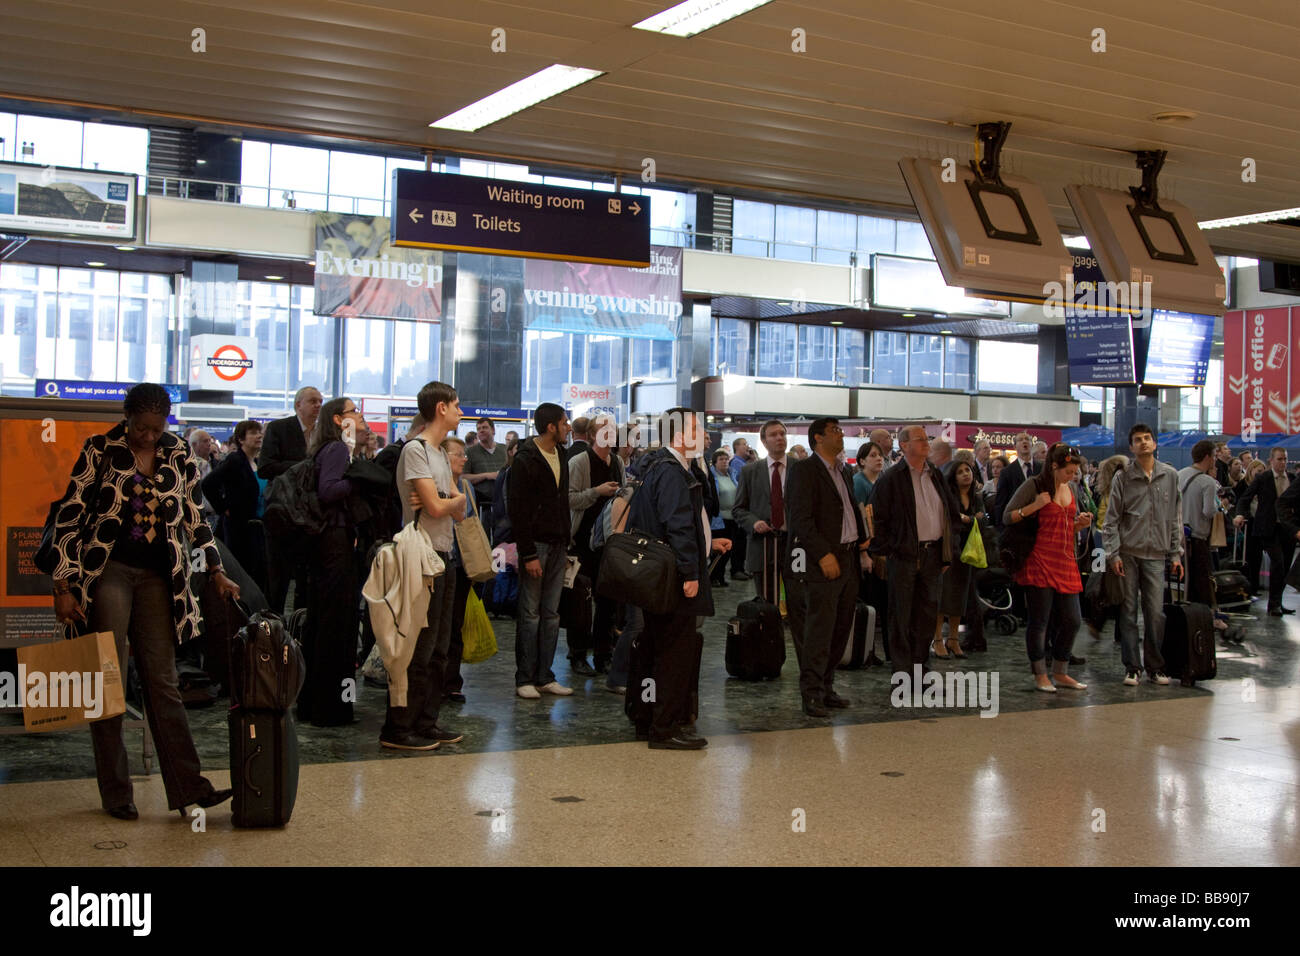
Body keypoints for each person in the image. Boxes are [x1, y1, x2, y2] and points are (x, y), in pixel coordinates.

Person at [51, 383, 240, 820]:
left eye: (157, 429)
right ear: (127, 416)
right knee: (108, 679)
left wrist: (215, 570)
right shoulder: (99, 449)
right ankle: (117, 792)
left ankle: (188, 787)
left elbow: (195, 516)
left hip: (161, 578)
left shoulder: (178, 453)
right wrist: (62, 587)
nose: (149, 437)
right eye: (141, 428)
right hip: (109, 573)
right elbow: (69, 515)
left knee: (164, 682)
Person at [626, 407, 728, 749]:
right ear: (680, 435)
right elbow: (678, 524)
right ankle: (665, 727)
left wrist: (709, 544)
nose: (705, 434)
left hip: (660, 574)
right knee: (674, 651)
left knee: (656, 646)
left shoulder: (659, 466)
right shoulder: (671, 471)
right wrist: (690, 571)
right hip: (673, 575)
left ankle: (648, 718)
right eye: (698, 428)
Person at [380, 382, 467, 751]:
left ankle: (426, 720)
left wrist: (448, 498)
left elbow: (455, 506)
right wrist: (448, 499)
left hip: (443, 555)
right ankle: (399, 727)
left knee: (439, 648)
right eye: (457, 405)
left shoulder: (441, 455)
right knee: (416, 645)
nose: (462, 412)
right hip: (420, 556)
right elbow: (435, 507)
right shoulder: (415, 450)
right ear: (441, 408)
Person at [785, 418, 869, 717]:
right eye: (834, 431)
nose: (840, 434)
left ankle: (827, 685)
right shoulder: (804, 471)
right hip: (821, 561)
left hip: (848, 557)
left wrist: (862, 546)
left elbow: (849, 511)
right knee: (819, 630)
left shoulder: (844, 471)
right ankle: (811, 693)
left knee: (840, 628)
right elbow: (801, 519)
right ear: (817, 438)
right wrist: (822, 554)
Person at [870, 424, 961, 672]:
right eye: (919, 439)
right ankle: (903, 673)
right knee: (901, 617)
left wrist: (948, 554)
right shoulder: (891, 478)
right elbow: (879, 519)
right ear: (904, 445)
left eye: (926, 438)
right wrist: (892, 549)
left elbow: (951, 516)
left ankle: (922, 670)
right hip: (904, 556)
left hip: (933, 556)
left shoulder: (935, 475)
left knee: (926, 616)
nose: (925, 442)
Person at [1003, 443, 1092, 691]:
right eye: (1068, 472)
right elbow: (1007, 516)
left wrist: (1078, 525)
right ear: (1054, 466)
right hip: (1039, 559)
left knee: (1073, 619)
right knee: (1039, 620)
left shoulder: (1070, 488)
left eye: (1074, 472)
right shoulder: (1034, 485)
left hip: (1065, 560)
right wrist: (1035, 506)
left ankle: (1061, 670)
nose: (1072, 476)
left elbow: (1062, 525)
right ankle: (1040, 673)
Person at [298, 397, 363, 727]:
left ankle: (315, 702)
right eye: (353, 411)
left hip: (326, 544)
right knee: (338, 625)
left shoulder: (323, 449)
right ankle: (334, 706)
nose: (358, 415)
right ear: (339, 420)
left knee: (323, 623)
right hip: (336, 544)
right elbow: (329, 490)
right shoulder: (337, 450)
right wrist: (359, 479)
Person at [1102, 423, 1183, 686]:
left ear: (1155, 443)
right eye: (1138, 440)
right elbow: (1111, 519)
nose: (1144, 443)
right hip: (1127, 552)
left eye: (1148, 438)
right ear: (1131, 447)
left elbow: (1174, 518)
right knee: (1127, 611)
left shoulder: (1170, 475)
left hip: (1157, 553)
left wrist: (1175, 554)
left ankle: (1156, 666)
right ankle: (1132, 666)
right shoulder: (1123, 477)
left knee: (1155, 613)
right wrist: (1112, 553)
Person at [509, 403, 574, 698]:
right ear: (551, 427)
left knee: (552, 614)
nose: (568, 426)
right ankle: (524, 677)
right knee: (530, 613)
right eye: (564, 422)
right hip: (536, 545)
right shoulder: (525, 459)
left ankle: (545, 675)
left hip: (559, 544)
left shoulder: (561, 453)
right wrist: (528, 553)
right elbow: (518, 511)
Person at [733, 420, 800, 642]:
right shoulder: (750, 471)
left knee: (798, 602)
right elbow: (739, 509)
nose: (780, 437)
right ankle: (768, 650)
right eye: (773, 434)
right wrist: (753, 522)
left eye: (783, 433)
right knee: (767, 605)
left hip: (795, 545)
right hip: (763, 546)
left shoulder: (800, 469)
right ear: (763, 440)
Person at [567, 413, 624, 675]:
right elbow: (568, 499)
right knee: (580, 601)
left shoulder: (618, 461)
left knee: (608, 600)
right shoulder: (580, 461)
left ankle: (604, 654)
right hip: (582, 540)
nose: (609, 432)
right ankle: (578, 654)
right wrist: (596, 492)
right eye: (603, 428)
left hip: (609, 542)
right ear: (592, 435)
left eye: (612, 427)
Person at [258, 385, 323, 614]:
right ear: (298, 405)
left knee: (306, 582)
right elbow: (265, 467)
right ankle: (270, 632)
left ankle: (301, 633)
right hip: (282, 513)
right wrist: (303, 467)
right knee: (277, 581)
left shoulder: (323, 434)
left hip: (310, 517)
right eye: (313, 401)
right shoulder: (280, 428)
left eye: (320, 401)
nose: (318, 405)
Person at [201, 419, 268, 592]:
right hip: (239, 527)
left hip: (257, 526)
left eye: (259, 432)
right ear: (241, 439)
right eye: (253, 433)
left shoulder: (259, 462)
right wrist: (224, 508)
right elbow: (208, 483)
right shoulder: (235, 460)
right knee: (242, 571)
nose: (259, 436)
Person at [1234, 447, 1297, 615]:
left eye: (1284, 459)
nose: (1282, 462)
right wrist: (1240, 514)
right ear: (1271, 460)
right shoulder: (1263, 478)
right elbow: (1245, 498)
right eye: (1279, 459)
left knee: (1285, 566)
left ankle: (1277, 601)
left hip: (1287, 529)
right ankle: (1274, 604)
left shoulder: (1291, 478)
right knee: (1278, 562)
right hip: (1268, 528)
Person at [933, 459, 981, 660]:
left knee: (960, 596)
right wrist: (963, 518)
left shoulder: (975, 496)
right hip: (949, 549)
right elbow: (947, 517)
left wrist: (974, 518)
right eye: (960, 471)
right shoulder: (948, 495)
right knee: (944, 595)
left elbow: (983, 516)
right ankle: (937, 639)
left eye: (967, 470)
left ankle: (953, 639)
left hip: (969, 550)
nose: (965, 474)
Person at [441, 435, 473, 705]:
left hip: (461, 563)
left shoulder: (465, 486)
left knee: (455, 625)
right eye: (458, 454)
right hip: (439, 562)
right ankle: (434, 682)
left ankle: (452, 681)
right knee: (439, 625)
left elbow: (467, 520)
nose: (464, 458)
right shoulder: (432, 485)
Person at [1179, 440, 1223, 612]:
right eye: (1214, 456)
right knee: (1204, 578)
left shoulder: (1180, 474)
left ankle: (1188, 613)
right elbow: (1209, 511)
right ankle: (1209, 614)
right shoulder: (1208, 481)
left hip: (1180, 536)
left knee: (1185, 579)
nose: (1215, 460)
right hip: (1198, 537)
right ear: (1208, 457)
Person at [464, 417, 506, 535]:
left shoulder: (504, 450)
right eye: (478, 429)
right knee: (484, 534)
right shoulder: (470, 452)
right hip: (482, 504)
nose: (481, 430)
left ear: (493, 430)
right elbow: (463, 477)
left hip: (503, 502)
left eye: (485, 427)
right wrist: (487, 475)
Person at [993, 432, 1035, 530]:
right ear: (1015, 447)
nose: (1024, 441)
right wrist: (1001, 529)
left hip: (1039, 526)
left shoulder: (1041, 468)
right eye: (1020, 440)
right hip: (1016, 527)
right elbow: (1001, 503)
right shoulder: (1007, 472)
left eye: (1027, 439)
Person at [710, 449, 739, 587]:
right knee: (718, 551)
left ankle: (720, 576)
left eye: (726, 459)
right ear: (715, 462)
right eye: (721, 459)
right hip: (718, 520)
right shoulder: (712, 477)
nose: (724, 462)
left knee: (728, 551)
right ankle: (713, 576)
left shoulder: (732, 475)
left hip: (733, 518)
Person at [853, 441, 885, 507]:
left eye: (880, 455)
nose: (879, 458)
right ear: (862, 461)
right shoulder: (858, 482)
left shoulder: (883, 478)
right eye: (873, 455)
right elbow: (861, 513)